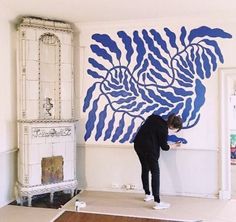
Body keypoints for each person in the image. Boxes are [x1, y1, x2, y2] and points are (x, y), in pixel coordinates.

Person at [133, 113, 182, 210]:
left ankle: (148, 194)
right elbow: (164, 147)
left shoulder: (154, 117)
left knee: (145, 168)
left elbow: (152, 134)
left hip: (138, 145)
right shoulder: (164, 129)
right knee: (155, 173)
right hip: (149, 149)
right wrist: (174, 145)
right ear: (172, 126)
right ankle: (157, 202)